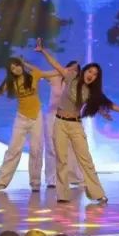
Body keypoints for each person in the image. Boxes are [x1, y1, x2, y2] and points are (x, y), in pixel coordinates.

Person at [34, 38, 119, 204]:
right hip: (59, 123)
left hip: (75, 125)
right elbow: (55, 64)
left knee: (86, 160)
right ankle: (62, 195)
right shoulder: (71, 77)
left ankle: (97, 193)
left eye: (95, 75)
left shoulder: (92, 92)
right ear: (85, 71)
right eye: (90, 72)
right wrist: (43, 51)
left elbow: (108, 104)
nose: (91, 76)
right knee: (61, 160)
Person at [0, 57, 50, 192]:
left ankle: (35, 182)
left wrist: (24, 63)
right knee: (13, 150)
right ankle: (0, 182)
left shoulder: (33, 75)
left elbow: (43, 72)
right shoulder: (11, 82)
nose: (16, 69)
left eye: (17, 65)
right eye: (12, 68)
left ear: (21, 65)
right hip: (21, 118)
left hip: (36, 116)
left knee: (36, 150)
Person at [44, 59, 82, 189]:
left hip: (67, 117)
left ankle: (72, 177)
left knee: (69, 148)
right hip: (51, 116)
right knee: (51, 147)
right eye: (70, 68)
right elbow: (39, 73)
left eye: (76, 70)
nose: (72, 71)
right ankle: (52, 179)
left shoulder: (76, 84)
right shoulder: (54, 77)